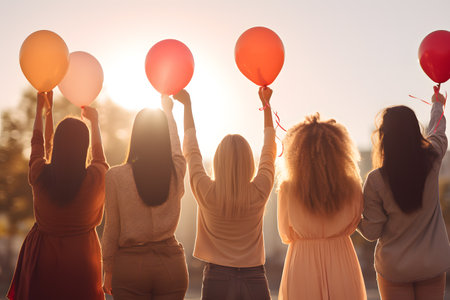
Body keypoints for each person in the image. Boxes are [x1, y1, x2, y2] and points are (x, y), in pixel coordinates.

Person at [176, 87, 276, 300]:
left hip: (217, 278)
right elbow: (269, 147)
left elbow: (191, 149)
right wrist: (266, 105)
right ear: (250, 162)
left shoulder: (206, 191)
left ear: (218, 161)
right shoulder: (260, 190)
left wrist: (187, 106)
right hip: (254, 277)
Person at [7, 91, 108, 300]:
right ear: (84, 147)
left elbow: (38, 145)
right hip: (82, 259)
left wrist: (43, 112)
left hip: (42, 257)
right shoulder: (95, 180)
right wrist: (94, 123)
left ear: (59, 145)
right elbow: (100, 158)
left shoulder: (40, 175)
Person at [357, 89, 450, 300]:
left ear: (383, 137)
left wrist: (352, 216)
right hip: (432, 263)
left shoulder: (375, 180)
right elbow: (438, 130)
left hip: (394, 268)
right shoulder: (433, 160)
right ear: (415, 132)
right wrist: (437, 104)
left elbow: (372, 232)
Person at [101, 95, 188, 300]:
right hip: (171, 265)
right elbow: (177, 151)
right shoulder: (175, 171)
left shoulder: (115, 176)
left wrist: (109, 269)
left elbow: (111, 228)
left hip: (130, 267)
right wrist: (168, 112)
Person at [277, 114, 366, 300]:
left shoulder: (287, 188)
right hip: (341, 258)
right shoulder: (352, 186)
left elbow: (285, 233)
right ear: (340, 150)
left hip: (302, 261)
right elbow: (354, 223)